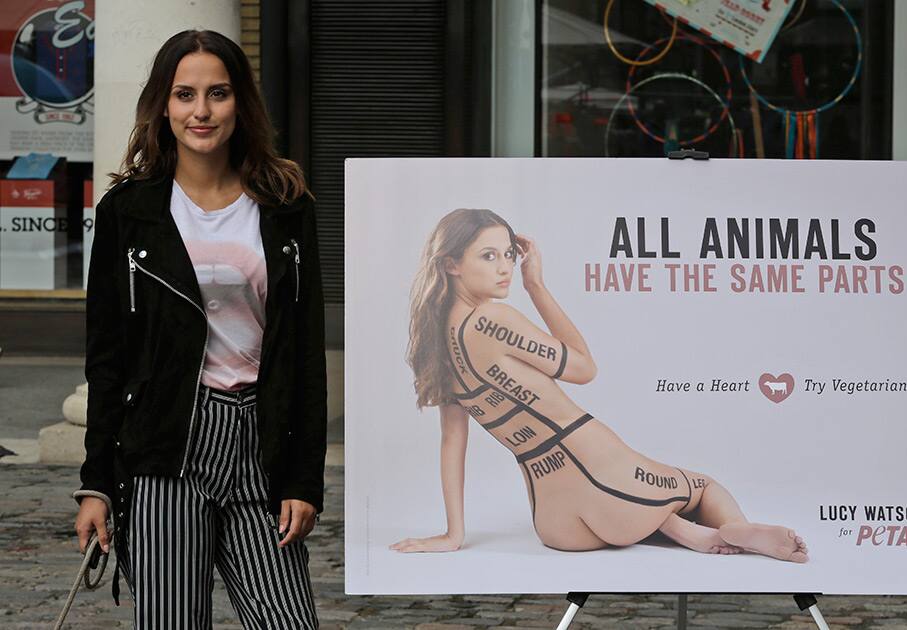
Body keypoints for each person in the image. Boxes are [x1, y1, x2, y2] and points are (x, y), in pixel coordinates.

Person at [72, 30, 326, 628]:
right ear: (165, 104)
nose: (202, 111)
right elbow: (106, 357)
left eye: (217, 94)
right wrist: (96, 484)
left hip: (259, 445)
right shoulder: (127, 212)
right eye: (185, 95)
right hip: (165, 450)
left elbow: (304, 354)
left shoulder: (286, 205)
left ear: (241, 103)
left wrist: (303, 478)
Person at [393, 209, 807, 562]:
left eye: (508, 255)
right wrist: (536, 285)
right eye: (488, 256)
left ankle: (690, 534)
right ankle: (737, 528)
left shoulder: (435, 347)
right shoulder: (491, 319)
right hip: (605, 474)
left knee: (642, 511)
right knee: (702, 486)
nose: (505, 268)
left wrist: (453, 535)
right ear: (451, 264)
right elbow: (583, 367)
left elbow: (452, 440)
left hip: (555, 523)